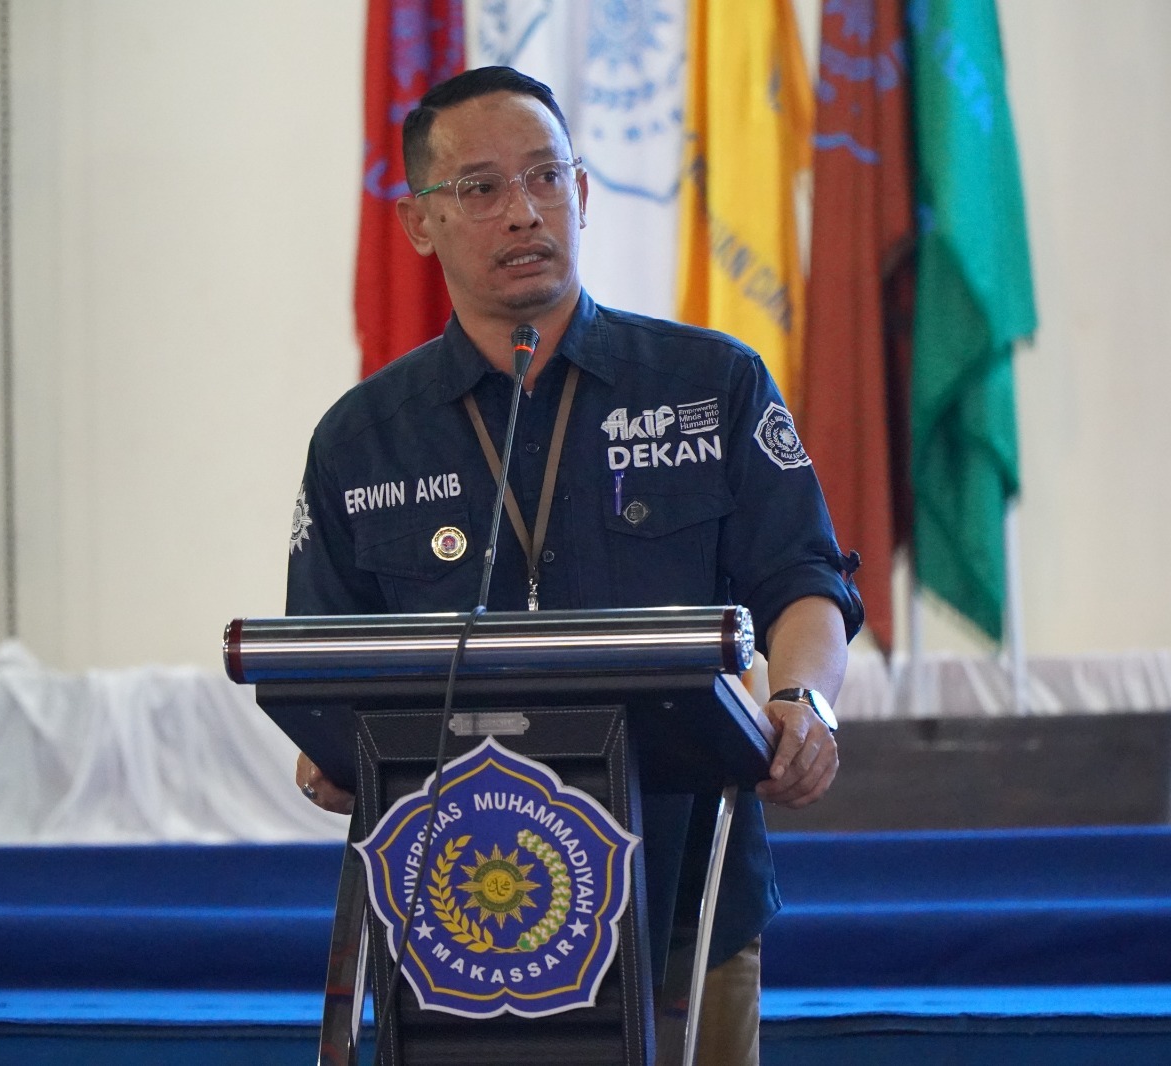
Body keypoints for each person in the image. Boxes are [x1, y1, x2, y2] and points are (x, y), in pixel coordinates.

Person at [288, 66, 860, 1066]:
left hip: (684, 892)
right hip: (454, 915)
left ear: (583, 194)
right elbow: (320, 666)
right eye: (480, 189)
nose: (523, 212)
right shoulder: (360, 440)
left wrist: (804, 702)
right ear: (421, 222)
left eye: (546, 178)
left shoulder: (708, 385)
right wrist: (328, 747)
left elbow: (802, 579)